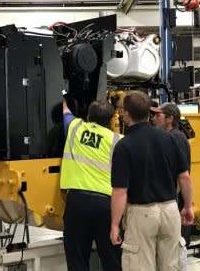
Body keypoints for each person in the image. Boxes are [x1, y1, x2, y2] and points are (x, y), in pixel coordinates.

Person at [110, 90, 194, 270]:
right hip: (170, 211)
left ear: (126, 113)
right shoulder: (170, 139)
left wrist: (115, 224)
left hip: (142, 214)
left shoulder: (124, 146)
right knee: (172, 266)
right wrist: (188, 206)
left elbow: (120, 192)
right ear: (149, 113)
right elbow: (184, 177)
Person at [60, 98, 122, 271]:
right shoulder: (118, 141)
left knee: (77, 261)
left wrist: (64, 97)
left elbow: (65, 112)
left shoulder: (75, 127)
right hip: (105, 205)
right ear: (111, 119)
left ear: (88, 116)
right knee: (112, 260)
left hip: (77, 203)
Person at [150, 102, 192, 245]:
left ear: (169, 119)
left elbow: (182, 176)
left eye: (157, 115)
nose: (153, 119)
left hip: (174, 204)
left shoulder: (176, 138)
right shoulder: (168, 137)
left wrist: (181, 204)